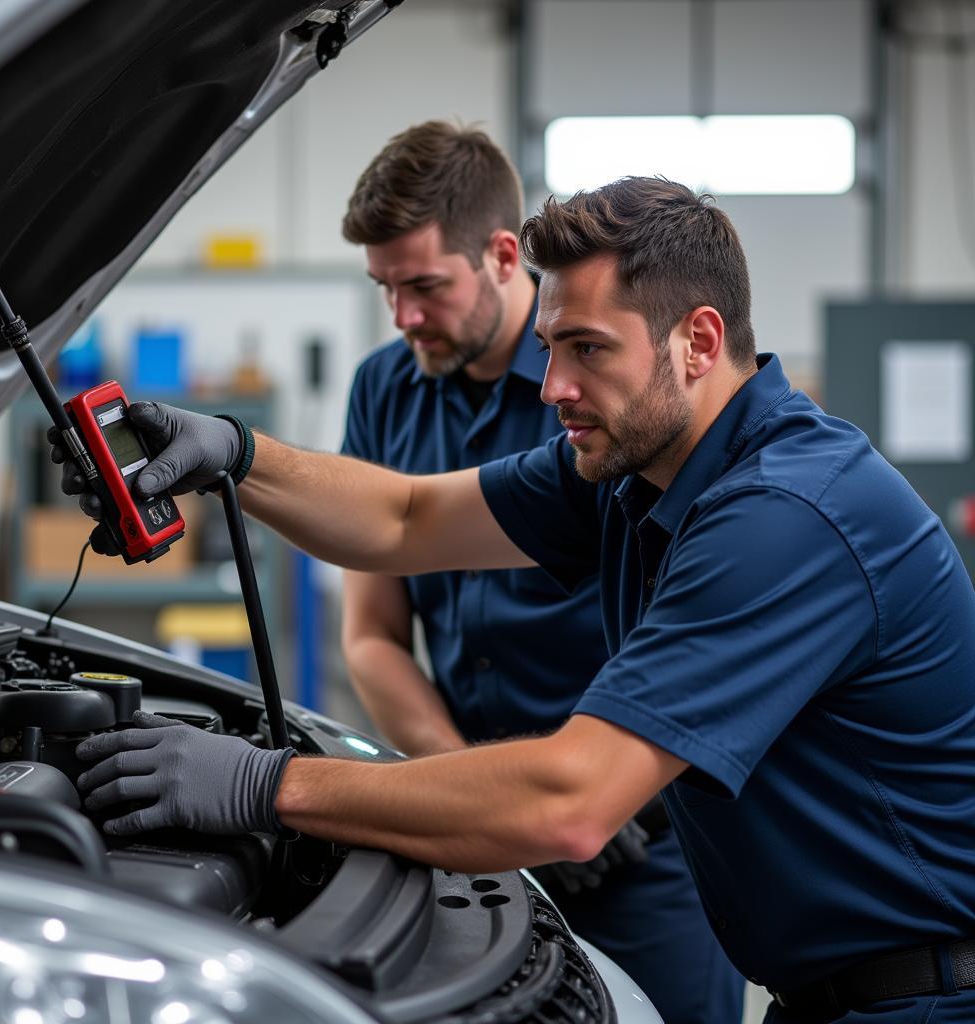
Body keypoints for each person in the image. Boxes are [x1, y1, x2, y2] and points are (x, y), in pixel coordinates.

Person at [58, 176, 975, 1024]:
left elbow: (569, 802)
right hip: (827, 993)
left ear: (697, 341)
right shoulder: (638, 467)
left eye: (588, 350)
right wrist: (234, 455)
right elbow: (406, 519)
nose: (556, 389)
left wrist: (263, 784)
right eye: (549, 348)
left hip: (925, 997)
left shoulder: (785, 515)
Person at [335, 121, 743, 1024]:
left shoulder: (620, 397)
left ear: (502, 254)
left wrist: (598, 800)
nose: (404, 318)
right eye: (385, 290)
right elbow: (370, 633)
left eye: (424, 286)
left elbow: (701, 630)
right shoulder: (381, 391)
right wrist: (470, 789)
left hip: (643, 846)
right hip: (481, 833)